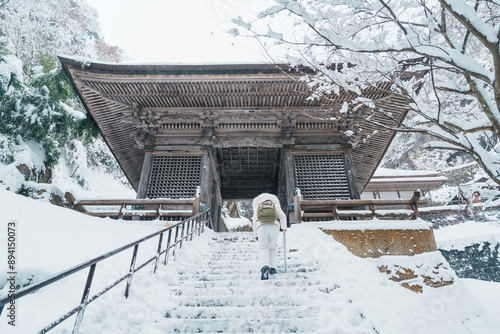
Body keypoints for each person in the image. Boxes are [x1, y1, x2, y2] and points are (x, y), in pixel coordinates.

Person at [252, 193, 287, 280]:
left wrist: (256, 235)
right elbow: (282, 216)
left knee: (263, 248)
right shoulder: (275, 206)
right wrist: (283, 228)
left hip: (262, 227)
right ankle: (272, 267)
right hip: (274, 226)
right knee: (272, 248)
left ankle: (264, 266)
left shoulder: (258, 207)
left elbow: (255, 221)